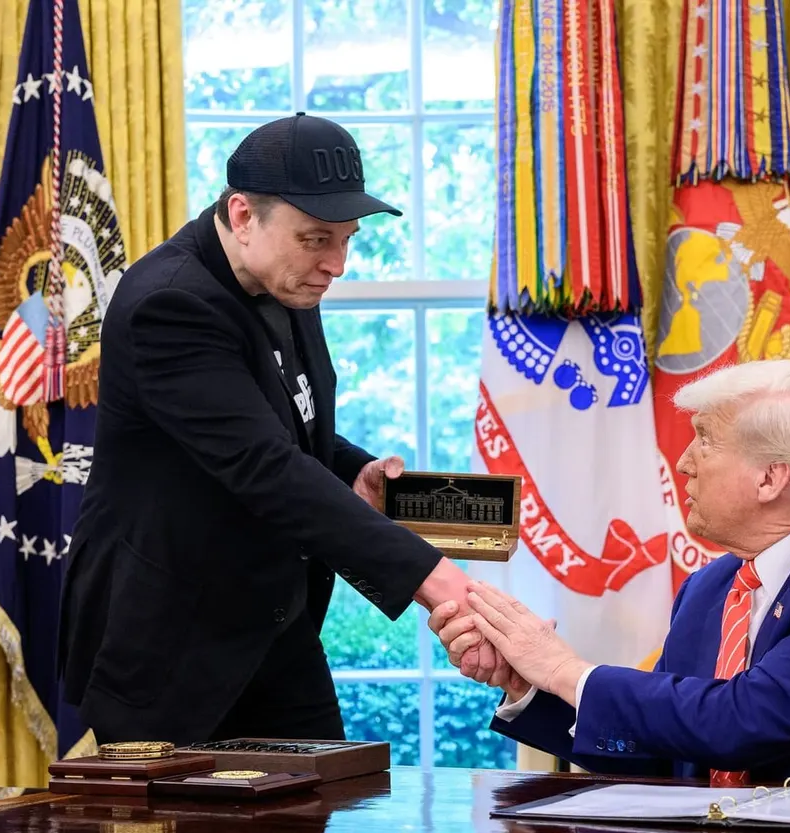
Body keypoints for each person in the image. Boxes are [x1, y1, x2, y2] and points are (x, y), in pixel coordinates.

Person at [57, 113, 509, 746]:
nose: (337, 263)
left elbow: (283, 419)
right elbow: (264, 466)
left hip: (276, 626)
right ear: (243, 216)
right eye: (316, 238)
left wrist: (352, 470)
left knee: (330, 799)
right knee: (188, 818)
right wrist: (439, 582)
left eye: (346, 239)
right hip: (169, 645)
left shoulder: (285, 276)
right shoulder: (169, 303)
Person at [433, 360, 790, 789]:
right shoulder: (709, 589)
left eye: (704, 439)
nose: (683, 462)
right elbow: (666, 752)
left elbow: (748, 722)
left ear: (771, 478)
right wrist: (530, 685)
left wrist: (564, 669)